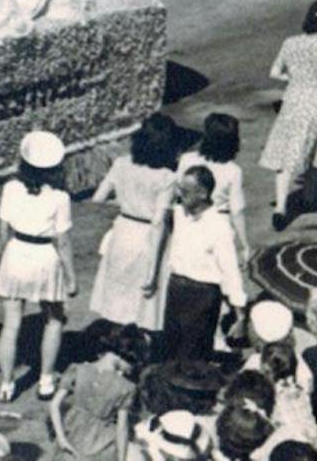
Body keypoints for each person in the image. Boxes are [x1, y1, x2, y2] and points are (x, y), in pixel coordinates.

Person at [0, 130, 76, 402]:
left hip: (16, 254)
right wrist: (71, 278)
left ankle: (6, 383)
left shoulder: (10, 188)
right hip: (45, 258)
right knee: (54, 319)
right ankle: (45, 380)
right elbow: (62, 242)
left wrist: (2, 260)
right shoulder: (60, 197)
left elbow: (3, 230)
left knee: (11, 323)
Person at [88, 114, 178, 333]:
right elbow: (158, 223)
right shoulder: (167, 177)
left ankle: (115, 341)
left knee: (118, 292)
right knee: (143, 300)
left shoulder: (121, 164)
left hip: (122, 230)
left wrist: (127, 204)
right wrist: (152, 272)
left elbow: (98, 198)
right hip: (147, 237)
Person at [147, 165, 247, 363]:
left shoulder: (219, 225)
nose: (179, 194)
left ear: (202, 193)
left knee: (194, 356)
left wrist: (240, 315)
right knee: (170, 352)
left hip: (203, 297)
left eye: (184, 191)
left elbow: (230, 271)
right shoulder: (178, 214)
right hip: (176, 289)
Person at [261, 0, 317, 231]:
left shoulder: (290, 43)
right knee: (314, 153)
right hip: (314, 106)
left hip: (292, 102)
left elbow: (275, 72)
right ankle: (308, 198)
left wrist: (297, 80)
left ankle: (280, 207)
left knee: (287, 154)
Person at [46, 325, 147, 461]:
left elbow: (54, 405)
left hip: (71, 433)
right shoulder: (126, 387)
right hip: (101, 442)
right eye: (133, 362)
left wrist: (61, 437)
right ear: (126, 355)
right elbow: (122, 428)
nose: (132, 368)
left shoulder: (78, 369)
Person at [177, 112, 251, 259]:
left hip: (188, 221)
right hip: (219, 225)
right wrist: (244, 245)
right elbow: (237, 211)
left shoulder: (186, 160)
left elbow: (179, 192)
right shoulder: (233, 171)